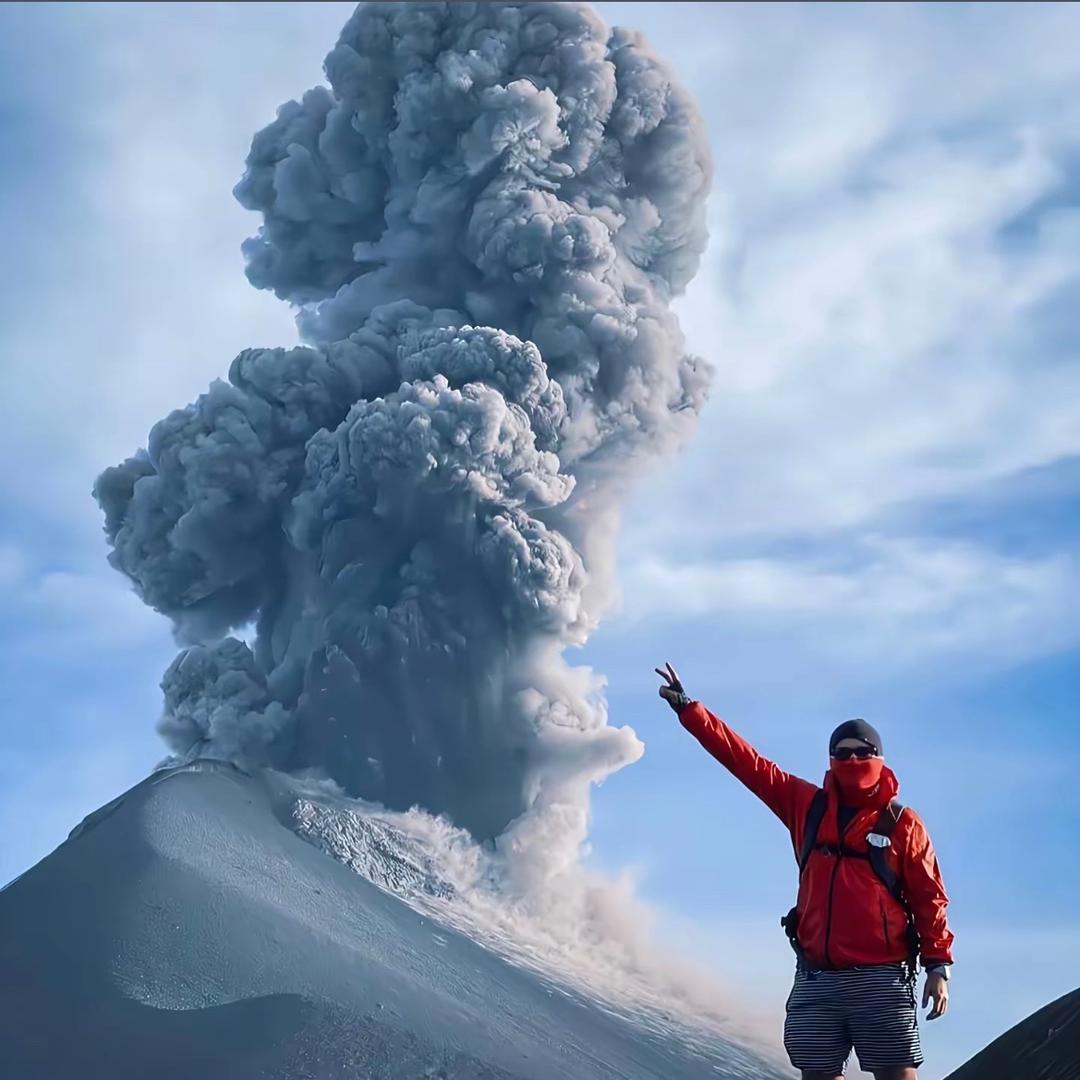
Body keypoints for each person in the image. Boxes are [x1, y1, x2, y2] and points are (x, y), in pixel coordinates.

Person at [656, 663, 953, 1080]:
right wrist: (690, 711)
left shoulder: (903, 823)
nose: (852, 760)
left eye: (862, 752)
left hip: (882, 979)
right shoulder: (806, 805)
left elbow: (929, 897)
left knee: (897, 1073)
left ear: (879, 758)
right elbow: (748, 764)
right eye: (843, 753)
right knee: (816, 1073)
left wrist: (938, 967)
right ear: (830, 759)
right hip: (817, 977)